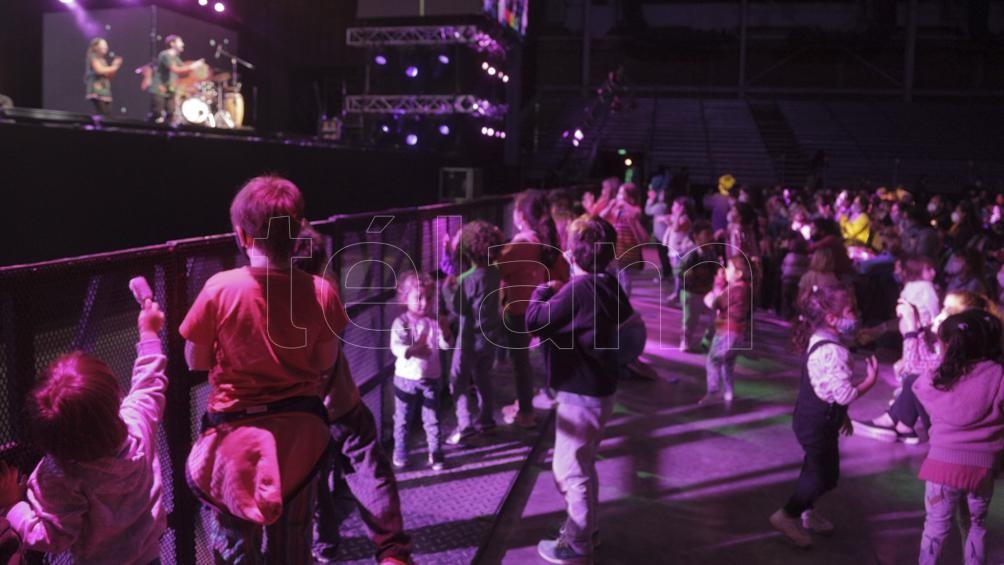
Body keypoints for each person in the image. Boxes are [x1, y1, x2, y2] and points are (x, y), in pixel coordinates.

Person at [181, 176, 347, 563]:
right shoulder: (321, 292)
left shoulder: (219, 289)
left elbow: (195, 360)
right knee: (294, 540)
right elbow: (324, 362)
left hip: (234, 437)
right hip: (301, 437)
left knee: (236, 540)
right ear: (296, 234)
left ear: (241, 234)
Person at [0, 291, 167, 564]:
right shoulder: (138, 421)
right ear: (115, 395)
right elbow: (151, 381)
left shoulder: (62, 474)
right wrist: (148, 331)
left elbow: (51, 538)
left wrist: (13, 506)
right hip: (150, 557)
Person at [289, 225, 414, 565]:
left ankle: (324, 546)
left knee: (312, 482)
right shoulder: (324, 290)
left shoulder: (275, 299)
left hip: (301, 413)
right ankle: (392, 552)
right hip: (340, 403)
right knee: (370, 470)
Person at [525, 216, 633, 564]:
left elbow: (535, 320)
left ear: (575, 254)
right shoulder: (608, 284)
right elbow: (620, 316)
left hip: (580, 393)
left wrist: (542, 291)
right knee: (583, 465)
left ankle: (577, 545)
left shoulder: (579, 289)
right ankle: (586, 529)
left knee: (568, 470)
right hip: (601, 391)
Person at [769, 284, 879, 548]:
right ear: (832, 317)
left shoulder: (821, 337)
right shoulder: (833, 350)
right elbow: (843, 394)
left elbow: (828, 389)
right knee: (825, 476)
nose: (857, 315)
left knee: (814, 468)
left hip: (814, 418)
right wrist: (870, 380)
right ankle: (788, 515)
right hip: (816, 423)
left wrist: (842, 416)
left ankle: (807, 511)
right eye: (851, 310)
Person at [913, 309, 1004, 565]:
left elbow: (918, 386)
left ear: (948, 346)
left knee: (935, 528)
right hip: (982, 468)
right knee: (976, 524)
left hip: (942, 468)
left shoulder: (938, 378)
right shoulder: (998, 374)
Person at [498, 190, 569, 429]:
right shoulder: (544, 241)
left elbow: (493, 266)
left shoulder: (523, 244)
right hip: (540, 308)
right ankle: (532, 401)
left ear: (522, 215)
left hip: (518, 310)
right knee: (529, 361)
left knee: (520, 363)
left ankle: (526, 413)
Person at [442, 220, 503, 445]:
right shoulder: (495, 272)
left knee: (457, 381)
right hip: (490, 337)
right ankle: (486, 419)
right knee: (483, 377)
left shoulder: (466, 280)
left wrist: (447, 290)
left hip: (468, 339)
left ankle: (465, 424)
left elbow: (458, 308)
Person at [390, 272, 449, 469]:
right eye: (418, 298)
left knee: (432, 418)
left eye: (428, 298)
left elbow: (444, 345)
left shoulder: (433, 322)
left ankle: (435, 453)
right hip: (405, 379)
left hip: (430, 378)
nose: (423, 303)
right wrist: (411, 350)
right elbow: (396, 346)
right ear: (405, 299)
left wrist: (446, 333)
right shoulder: (401, 323)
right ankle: (400, 453)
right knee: (403, 419)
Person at [700, 255, 753, 405]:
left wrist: (712, 293)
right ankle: (729, 391)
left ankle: (713, 392)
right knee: (728, 362)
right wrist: (721, 282)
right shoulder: (743, 288)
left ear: (739, 274)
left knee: (713, 360)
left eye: (729, 268)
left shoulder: (735, 290)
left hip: (727, 332)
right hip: (738, 333)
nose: (725, 270)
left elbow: (715, 302)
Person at [677, 221, 717, 352]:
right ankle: (685, 341)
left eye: (711, 234)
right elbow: (679, 271)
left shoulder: (712, 253)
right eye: (707, 234)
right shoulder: (690, 254)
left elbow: (715, 270)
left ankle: (706, 341)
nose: (711, 237)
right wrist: (685, 274)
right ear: (696, 237)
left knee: (715, 319)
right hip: (691, 293)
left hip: (707, 292)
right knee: (690, 321)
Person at [148, 35, 204, 124]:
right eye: (180, 42)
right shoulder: (165, 54)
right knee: (157, 114)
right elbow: (175, 69)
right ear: (172, 43)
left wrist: (194, 68)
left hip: (170, 90)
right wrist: (192, 66)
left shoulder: (176, 58)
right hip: (159, 89)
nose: (183, 44)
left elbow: (184, 72)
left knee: (170, 114)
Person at [84, 38, 122, 115]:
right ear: (96, 47)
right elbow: (99, 70)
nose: (106, 47)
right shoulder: (93, 57)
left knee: (107, 114)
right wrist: (114, 67)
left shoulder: (103, 60)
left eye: (106, 46)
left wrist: (115, 65)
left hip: (105, 91)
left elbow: (108, 76)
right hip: (96, 90)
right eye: (103, 45)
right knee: (103, 115)